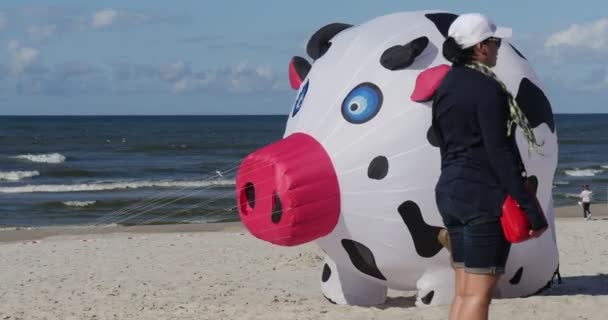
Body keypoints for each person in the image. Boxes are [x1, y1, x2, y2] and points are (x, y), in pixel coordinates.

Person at [431, 13, 548, 320]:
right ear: (480, 47)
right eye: (495, 42)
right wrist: (531, 209)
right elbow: (499, 153)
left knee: (464, 293)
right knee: (478, 296)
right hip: (481, 197)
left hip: (450, 192)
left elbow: (444, 144)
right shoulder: (488, 89)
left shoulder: (445, 88)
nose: (498, 49)